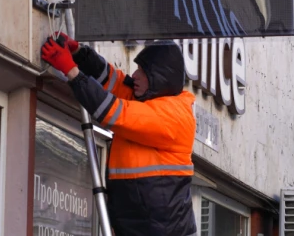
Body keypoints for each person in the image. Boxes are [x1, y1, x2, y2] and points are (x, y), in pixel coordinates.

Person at [41, 34, 198, 236]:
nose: (135, 75)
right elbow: (114, 82)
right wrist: (80, 54)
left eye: (143, 71)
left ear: (159, 77)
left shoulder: (174, 117)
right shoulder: (150, 99)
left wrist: (72, 71)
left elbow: (116, 113)